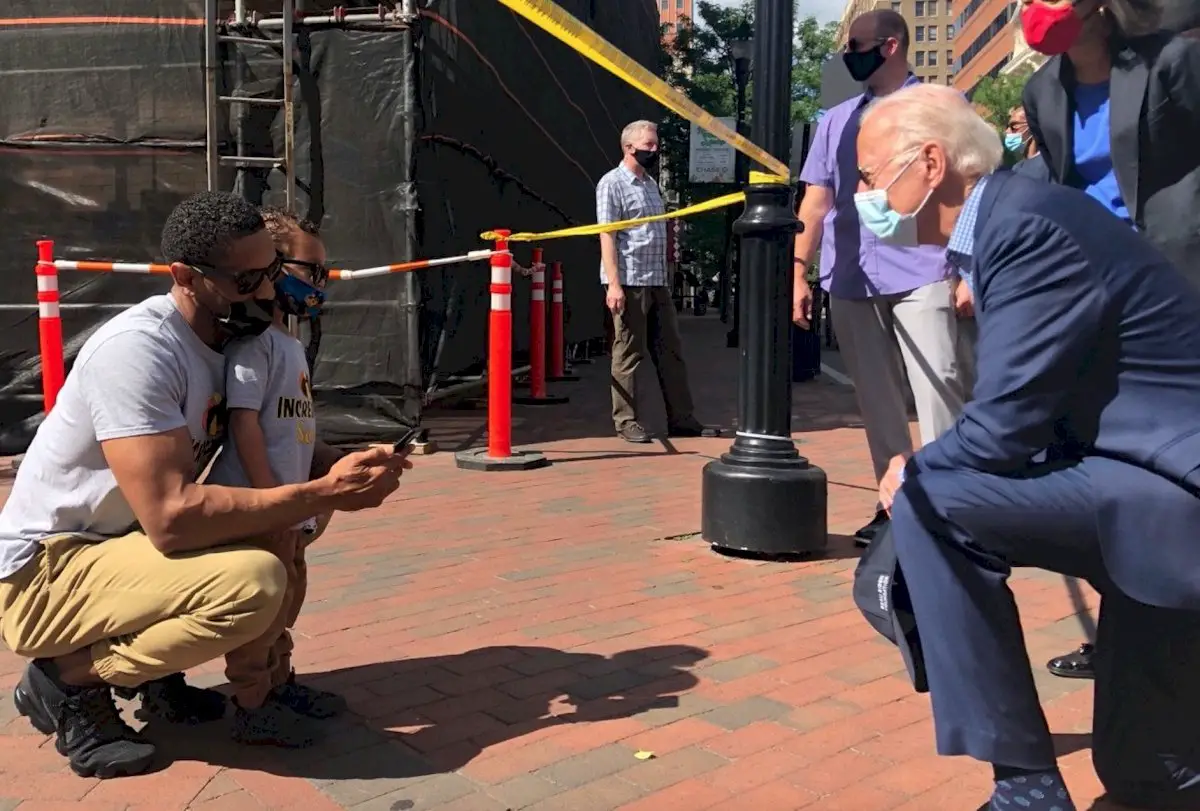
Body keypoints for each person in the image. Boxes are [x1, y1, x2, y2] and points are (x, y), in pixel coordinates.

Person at [861, 83, 1200, 811]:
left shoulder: (1026, 227)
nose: (864, 196)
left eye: (867, 176)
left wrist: (909, 472)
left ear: (930, 161)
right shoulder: (1017, 219)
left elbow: (1003, 428)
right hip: (1141, 486)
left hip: (1171, 494)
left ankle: (1026, 789)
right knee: (1148, 771)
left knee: (932, 502)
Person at [0, 191, 409, 779]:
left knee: (264, 542)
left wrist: (339, 463)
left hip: (118, 546)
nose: (268, 292)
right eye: (248, 279)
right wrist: (322, 494)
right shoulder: (138, 351)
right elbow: (171, 519)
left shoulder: (226, 340)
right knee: (252, 581)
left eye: (274, 270)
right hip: (49, 567)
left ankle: (163, 679)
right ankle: (65, 682)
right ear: (186, 277)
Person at [1020, 0, 1200, 679]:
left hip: (1175, 285)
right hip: (1092, 298)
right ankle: (1124, 632)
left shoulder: (1174, 64)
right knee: (1099, 456)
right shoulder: (1043, 89)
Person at [793, 9, 968, 545]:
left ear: (890, 46)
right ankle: (893, 506)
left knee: (942, 389)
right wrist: (798, 270)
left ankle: (955, 507)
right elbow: (816, 201)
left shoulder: (944, 106)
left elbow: (971, 190)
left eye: (856, 45)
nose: (848, 53)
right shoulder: (835, 120)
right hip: (850, 277)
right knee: (876, 400)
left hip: (925, 271)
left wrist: (971, 270)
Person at [207, 207, 344, 748]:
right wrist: (273, 499)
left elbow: (293, 427)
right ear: (271, 267)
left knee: (288, 599)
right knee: (259, 613)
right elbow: (245, 426)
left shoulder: (289, 346)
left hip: (292, 507)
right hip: (264, 505)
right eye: (312, 271)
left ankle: (281, 682)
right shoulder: (250, 347)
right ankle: (252, 703)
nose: (319, 284)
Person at [597, 120, 707, 444]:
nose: (655, 149)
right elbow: (607, 235)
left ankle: (682, 418)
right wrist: (614, 285)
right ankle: (626, 420)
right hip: (629, 282)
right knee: (628, 352)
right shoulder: (612, 184)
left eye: (655, 144)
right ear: (629, 147)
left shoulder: (650, 184)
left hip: (656, 280)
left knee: (670, 350)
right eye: (649, 145)